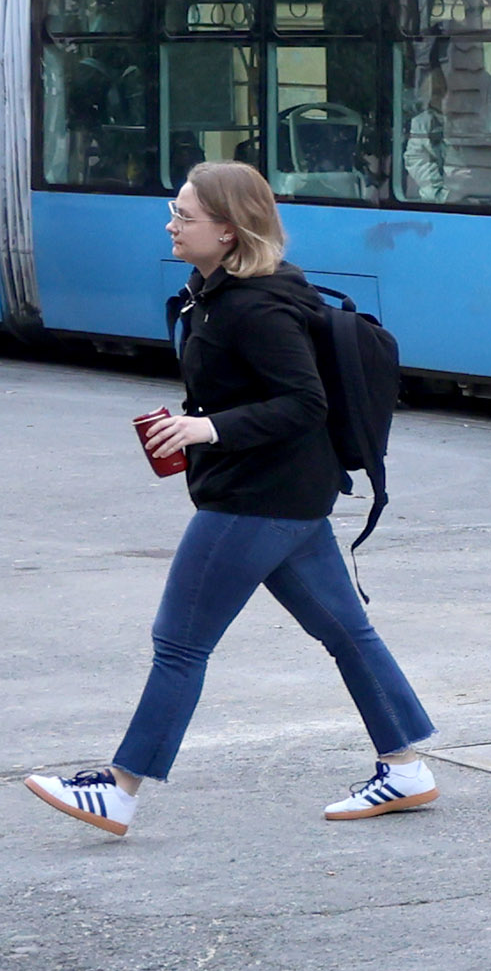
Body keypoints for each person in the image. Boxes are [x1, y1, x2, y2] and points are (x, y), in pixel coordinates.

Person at [26, 163, 440, 839]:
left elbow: (305, 402)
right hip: (288, 494)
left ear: (227, 228)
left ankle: (120, 788)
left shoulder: (256, 306)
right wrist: (198, 421)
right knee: (345, 631)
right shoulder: (223, 292)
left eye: (184, 215)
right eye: (175, 210)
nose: (171, 224)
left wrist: (208, 427)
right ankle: (405, 765)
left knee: (179, 643)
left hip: (257, 497)